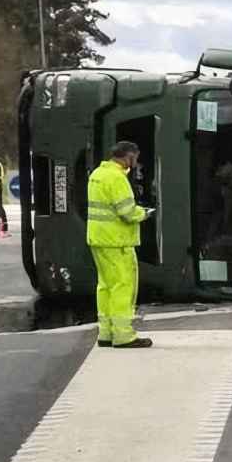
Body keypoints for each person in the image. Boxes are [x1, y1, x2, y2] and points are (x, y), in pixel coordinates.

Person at [87, 141, 154, 348]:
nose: (135, 162)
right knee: (123, 286)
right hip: (117, 241)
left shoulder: (97, 174)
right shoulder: (117, 178)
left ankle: (106, 333)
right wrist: (144, 213)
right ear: (128, 157)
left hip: (98, 238)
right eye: (135, 158)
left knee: (105, 286)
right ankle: (124, 335)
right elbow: (127, 213)